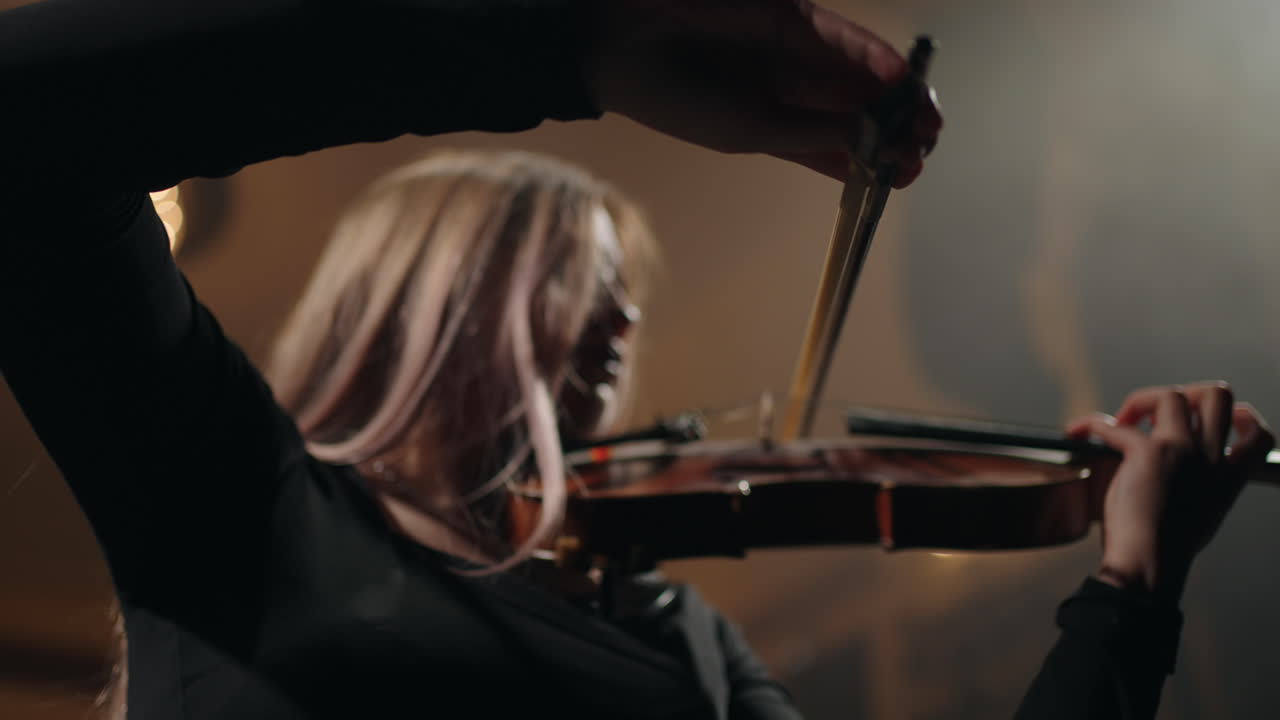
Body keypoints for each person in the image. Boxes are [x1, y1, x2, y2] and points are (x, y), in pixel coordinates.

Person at [0, 1, 1271, 719]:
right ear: (421, 301)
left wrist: (1131, 586)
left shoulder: (681, 641)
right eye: (571, 285)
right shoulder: (243, 512)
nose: (618, 331)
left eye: (623, 304)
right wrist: (576, 40)